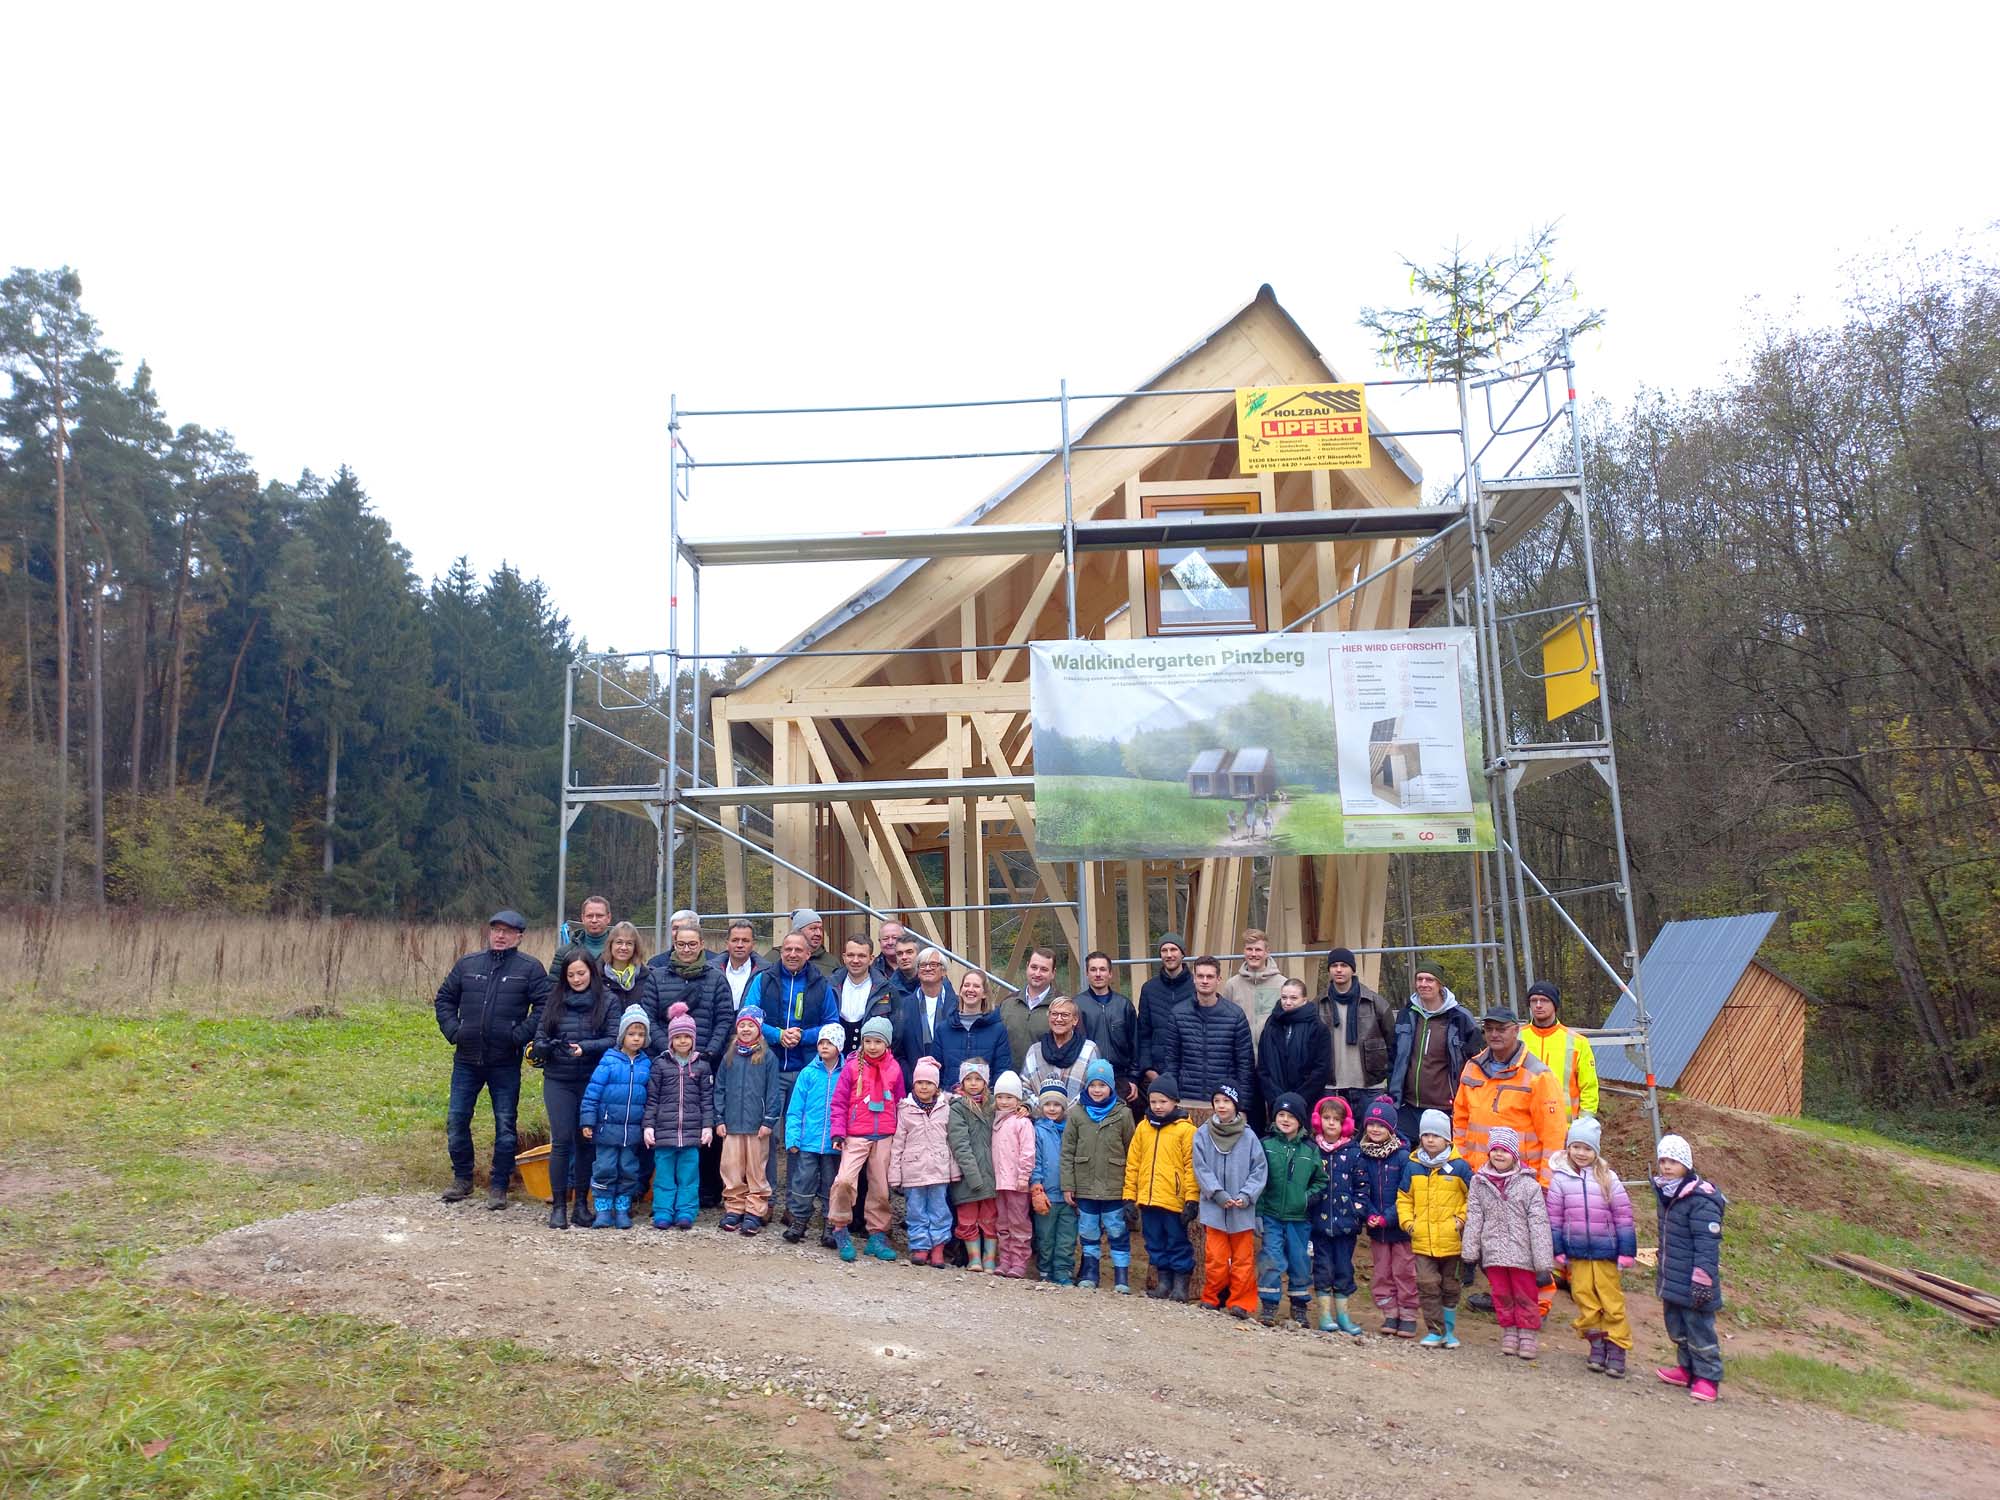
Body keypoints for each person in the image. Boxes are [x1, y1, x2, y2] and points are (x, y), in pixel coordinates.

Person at [435, 909, 549, 1209]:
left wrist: (519, 1035)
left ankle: (499, 1185)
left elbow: (545, 1007)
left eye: (507, 931)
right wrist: (454, 1030)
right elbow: (444, 998)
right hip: (467, 1059)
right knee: (457, 1120)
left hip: (504, 1062)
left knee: (505, 1124)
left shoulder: (530, 968)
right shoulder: (468, 964)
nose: (500, 935)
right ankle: (462, 1178)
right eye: (496, 929)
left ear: (519, 937)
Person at [532, 949, 620, 1230]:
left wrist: (586, 1049)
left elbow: (613, 1038)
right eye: (570, 975)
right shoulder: (554, 1000)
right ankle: (559, 1206)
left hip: (592, 1079)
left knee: (586, 1142)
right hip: (558, 1078)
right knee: (561, 1140)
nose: (576, 979)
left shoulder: (608, 1001)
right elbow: (540, 1037)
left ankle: (581, 1204)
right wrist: (544, 1048)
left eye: (581, 973)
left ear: (591, 973)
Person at [747, 931, 836, 1205]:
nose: (793, 954)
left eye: (799, 950)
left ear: (809, 954)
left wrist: (804, 1036)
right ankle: (766, 1197)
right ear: (781, 951)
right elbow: (748, 1015)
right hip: (769, 1067)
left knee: (798, 1138)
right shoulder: (763, 979)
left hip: (806, 1070)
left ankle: (796, 1201)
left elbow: (832, 1025)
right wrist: (776, 1034)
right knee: (767, 1135)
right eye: (788, 949)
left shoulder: (822, 985)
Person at [1549, 1115, 1636, 1376]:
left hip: (1606, 1252)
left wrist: (1626, 1251)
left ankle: (1617, 1347)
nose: (1581, 1153)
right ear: (1568, 1147)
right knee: (1585, 1298)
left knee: (1611, 1301)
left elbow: (1624, 1216)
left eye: (1587, 1148)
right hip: (1577, 1253)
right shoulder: (1560, 1179)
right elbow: (1554, 1217)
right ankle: (1596, 1344)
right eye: (1576, 1146)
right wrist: (1558, 1249)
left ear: (1595, 1150)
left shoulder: (1608, 1178)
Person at [1461, 1124, 1556, 1359]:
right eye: (1495, 1150)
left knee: (1525, 1295)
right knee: (1501, 1294)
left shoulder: (1528, 1185)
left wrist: (1542, 1259)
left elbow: (1539, 1223)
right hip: (1493, 1253)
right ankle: (1509, 1331)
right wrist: (1470, 1251)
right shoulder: (1479, 1182)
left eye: (1504, 1151)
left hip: (1522, 1255)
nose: (1498, 1154)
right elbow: (1474, 1217)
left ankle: (1527, 1333)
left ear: (1514, 1155)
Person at [1451, 1007, 1565, 1184]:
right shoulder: (1472, 1068)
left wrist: (1546, 1184)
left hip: (1520, 1181)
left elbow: (1553, 1135)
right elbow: (1460, 1122)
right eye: (1489, 1029)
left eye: (1501, 1029)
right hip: (1475, 1177)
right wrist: (1462, 1165)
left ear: (1516, 1030)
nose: (1494, 1034)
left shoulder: (1538, 1076)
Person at [1652, 1132, 1726, 1402]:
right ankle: (1687, 1368)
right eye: (1663, 1161)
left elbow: (1707, 1242)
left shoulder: (1700, 1200)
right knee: (1677, 1327)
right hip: (1672, 1275)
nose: (1667, 1166)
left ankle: (1708, 1377)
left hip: (1696, 1280)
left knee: (1699, 1330)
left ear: (1686, 1164)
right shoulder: (1666, 1194)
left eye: (1673, 1161)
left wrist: (1703, 1276)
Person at [829, 1015, 907, 1264]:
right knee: (844, 1180)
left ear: (887, 1044)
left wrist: (900, 1134)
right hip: (855, 1133)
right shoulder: (852, 1067)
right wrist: (838, 1132)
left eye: (877, 1041)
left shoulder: (895, 1068)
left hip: (885, 1134)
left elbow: (900, 1102)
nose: (872, 1046)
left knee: (880, 1189)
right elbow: (839, 1101)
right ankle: (840, 1227)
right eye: (868, 1041)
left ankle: (877, 1234)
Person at [1396, 1107, 1473, 1349]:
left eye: (1436, 1135)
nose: (1430, 1140)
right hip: (1422, 1240)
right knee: (1427, 1284)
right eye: (1426, 1135)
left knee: (1450, 1286)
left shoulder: (1460, 1167)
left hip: (1452, 1240)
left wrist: (1460, 1221)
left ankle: (1449, 1331)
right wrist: (1408, 1223)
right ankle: (1434, 1330)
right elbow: (1404, 1197)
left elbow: (1473, 1198)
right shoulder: (1413, 1166)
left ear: (1447, 1139)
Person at [1385, 965, 1481, 1148]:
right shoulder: (1407, 1014)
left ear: (1440, 984)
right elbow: (1393, 1057)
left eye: (1429, 980)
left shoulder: (1460, 1018)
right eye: (1419, 979)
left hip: (1445, 1109)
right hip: (1408, 1106)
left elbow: (1475, 1063)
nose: (1423, 984)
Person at [1192, 1082, 1266, 1318]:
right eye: (1217, 1101)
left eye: (1226, 1101)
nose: (1221, 1106)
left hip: (1242, 1210)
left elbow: (1259, 1169)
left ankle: (1241, 1302)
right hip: (1215, 1207)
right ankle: (1211, 1297)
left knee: (1243, 1259)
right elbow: (1200, 1167)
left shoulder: (1249, 1135)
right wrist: (1217, 1193)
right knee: (1215, 1258)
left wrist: (1246, 1195)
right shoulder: (1203, 1133)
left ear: (1235, 1104)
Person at [1063, 1059, 1136, 1292]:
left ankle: (1121, 1276)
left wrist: (1130, 1189)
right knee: (1088, 1229)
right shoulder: (1076, 1114)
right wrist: (1068, 1185)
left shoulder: (1123, 1114)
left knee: (1117, 1230)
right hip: (1084, 1184)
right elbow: (1067, 1152)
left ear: (1111, 1087)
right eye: (1093, 1085)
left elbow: (1132, 1150)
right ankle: (1091, 1272)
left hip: (1114, 1185)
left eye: (1102, 1085)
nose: (1097, 1090)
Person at [1125, 1074, 1199, 1303]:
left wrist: (1191, 1199)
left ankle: (1180, 1284)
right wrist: (1129, 1196)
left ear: (1175, 1101)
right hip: (1148, 1198)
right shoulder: (1143, 1128)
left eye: (1163, 1101)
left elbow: (1192, 1166)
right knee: (1154, 1240)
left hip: (1173, 1199)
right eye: (1154, 1101)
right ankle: (1164, 1281)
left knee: (1177, 1242)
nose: (1157, 1106)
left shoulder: (1186, 1130)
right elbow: (1133, 1163)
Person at [578, 1005, 652, 1230]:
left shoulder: (646, 1064)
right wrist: (588, 1120)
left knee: (628, 1168)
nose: (636, 1039)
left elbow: (651, 1097)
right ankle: (603, 1209)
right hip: (606, 1128)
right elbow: (592, 1092)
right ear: (622, 1036)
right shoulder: (609, 1061)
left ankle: (622, 1208)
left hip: (631, 1130)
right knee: (605, 1167)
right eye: (631, 1034)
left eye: (641, 1034)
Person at [641, 1002, 713, 1231]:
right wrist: (648, 1126)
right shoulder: (660, 1065)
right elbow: (652, 1098)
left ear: (693, 1038)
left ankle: (686, 1212)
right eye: (678, 1037)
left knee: (689, 1177)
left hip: (691, 1134)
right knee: (663, 1177)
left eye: (687, 1037)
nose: (683, 1041)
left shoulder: (702, 1066)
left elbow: (706, 1100)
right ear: (671, 1039)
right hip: (664, 1132)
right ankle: (663, 1211)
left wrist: (707, 1126)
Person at [1256, 1092, 1324, 1329]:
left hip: (1299, 1218)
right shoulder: (1266, 1145)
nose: (1285, 1120)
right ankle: (1269, 1305)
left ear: (1300, 1120)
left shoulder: (1310, 1149)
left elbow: (1320, 1180)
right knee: (1271, 1259)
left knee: (1300, 1261)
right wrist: (1258, 1213)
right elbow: (1258, 1180)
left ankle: (1299, 1306)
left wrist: (1307, 1199)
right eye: (1281, 1115)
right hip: (1272, 1216)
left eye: (1290, 1116)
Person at [1157, 957, 1255, 1122]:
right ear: (1194, 978)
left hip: (1224, 1101)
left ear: (1218, 980)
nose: (1204, 981)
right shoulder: (1178, 1013)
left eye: (1209, 977)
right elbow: (1171, 1061)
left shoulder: (1235, 1015)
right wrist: (1171, 1098)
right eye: (1200, 976)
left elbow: (1245, 1065)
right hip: (1186, 1099)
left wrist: (1242, 1107)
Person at [714, 1004, 781, 1235]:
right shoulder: (729, 1056)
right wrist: (719, 1117)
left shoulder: (768, 1057)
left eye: (749, 1026)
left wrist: (769, 1120)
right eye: (741, 1025)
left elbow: (773, 1091)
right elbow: (719, 1088)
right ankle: (734, 1208)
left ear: (758, 1029)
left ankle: (755, 1210)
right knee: (731, 1168)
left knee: (756, 1169)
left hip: (756, 1125)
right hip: (732, 1123)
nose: (745, 1029)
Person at [1307, 1095, 1369, 1336]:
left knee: (1344, 1268)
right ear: (1318, 1120)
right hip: (1318, 1223)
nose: (1331, 1123)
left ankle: (1343, 1314)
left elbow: (1363, 1187)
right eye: (1326, 1118)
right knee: (1322, 1268)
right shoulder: (1313, 1151)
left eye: (1336, 1119)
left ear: (1345, 1123)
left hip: (1346, 1224)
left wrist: (1357, 1212)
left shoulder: (1354, 1153)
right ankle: (1324, 1315)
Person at [1357, 1095, 1418, 1337]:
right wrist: (1370, 1213)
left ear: (1391, 1129)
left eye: (1381, 1125)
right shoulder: (1362, 1155)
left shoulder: (1403, 1157)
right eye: (1371, 1124)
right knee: (1382, 1272)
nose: (1375, 1129)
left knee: (1404, 1271)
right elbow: (1361, 1189)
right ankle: (1390, 1313)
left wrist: (1388, 1217)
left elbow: (1407, 1193)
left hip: (1400, 1227)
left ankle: (1409, 1314)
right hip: (1377, 1229)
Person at [781, 1023, 845, 1247]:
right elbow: (795, 1108)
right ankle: (799, 1220)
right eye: (821, 1042)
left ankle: (830, 1224)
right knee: (803, 1181)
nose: (825, 1046)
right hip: (808, 1142)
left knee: (831, 1183)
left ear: (839, 1046)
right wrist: (793, 1137)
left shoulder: (846, 1074)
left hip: (833, 1144)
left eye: (830, 1043)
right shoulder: (808, 1074)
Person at [889, 1056, 957, 1267]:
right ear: (914, 1084)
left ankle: (938, 1247)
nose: (924, 1087)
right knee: (916, 1210)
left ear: (936, 1086)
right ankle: (920, 1246)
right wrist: (894, 1173)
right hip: (913, 1170)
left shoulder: (946, 1107)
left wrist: (954, 1170)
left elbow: (951, 1140)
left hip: (939, 1169)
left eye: (929, 1083)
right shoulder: (905, 1109)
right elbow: (898, 1143)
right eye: (920, 1082)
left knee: (939, 1210)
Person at [1318, 946, 1394, 1124]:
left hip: (1370, 1086)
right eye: (1334, 965)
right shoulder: (1318, 1004)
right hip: (1331, 1087)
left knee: (1370, 1139)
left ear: (1353, 969)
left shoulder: (1376, 1003)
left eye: (1344, 965)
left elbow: (1393, 1043)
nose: (1338, 969)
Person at [646, 923, 729, 1062]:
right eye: (681, 944)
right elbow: (649, 1017)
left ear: (702, 944)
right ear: (674, 944)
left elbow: (724, 1020)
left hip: (704, 1061)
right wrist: (668, 1049)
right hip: (665, 1061)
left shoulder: (717, 979)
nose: (686, 949)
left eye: (692, 944)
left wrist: (710, 1051)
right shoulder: (656, 977)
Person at [946, 1058, 999, 1272]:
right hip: (968, 1176)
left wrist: (1024, 1107)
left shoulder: (995, 1104)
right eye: (969, 1079)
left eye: (978, 1079)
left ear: (986, 1082)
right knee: (967, 1218)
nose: (974, 1083)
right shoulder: (957, 1107)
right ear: (962, 1082)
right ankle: (974, 1257)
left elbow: (1014, 1107)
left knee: (990, 1218)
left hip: (993, 1173)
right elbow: (960, 1144)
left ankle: (990, 1258)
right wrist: (973, 1175)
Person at [1255, 978, 1330, 1129]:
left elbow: (1321, 1069)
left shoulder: (1317, 1027)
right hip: (1276, 1103)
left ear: (1304, 1000)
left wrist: (1297, 1099)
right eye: (1284, 997)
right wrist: (1276, 1098)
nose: (1287, 1002)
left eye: (1293, 998)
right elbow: (1263, 1066)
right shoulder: (1271, 1024)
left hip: (1306, 1103)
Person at [1521, 980, 1600, 1123]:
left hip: (1565, 1127)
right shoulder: (1517, 1038)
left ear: (1555, 1005)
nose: (1538, 1005)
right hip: (1524, 1126)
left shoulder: (1577, 1042)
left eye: (1544, 1000)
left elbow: (1589, 1088)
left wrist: (1584, 1126)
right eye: (1534, 1001)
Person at [1073, 951, 1140, 1107]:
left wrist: (1134, 1078)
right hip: (1087, 1079)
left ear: (1110, 973)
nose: (1098, 974)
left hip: (1120, 1079)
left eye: (1102, 969)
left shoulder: (1123, 1005)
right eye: (1093, 969)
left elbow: (1135, 1044)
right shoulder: (1076, 1005)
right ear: (1087, 973)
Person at [1030, 1079, 1077, 1286]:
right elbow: (1035, 1161)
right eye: (1047, 1104)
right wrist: (1037, 1187)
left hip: (1068, 1195)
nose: (1052, 1108)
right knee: (1045, 1237)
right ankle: (1045, 1269)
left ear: (1064, 1107)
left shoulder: (1071, 1129)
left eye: (1057, 1104)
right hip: (1046, 1194)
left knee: (1066, 1238)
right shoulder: (1037, 1129)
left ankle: (1063, 1271)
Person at [988, 1070, 1036, 1279]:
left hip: (1017, 1183)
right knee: (1002, 1223)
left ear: (1018, 1099)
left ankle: (1019, 1261)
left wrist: (1023, 1176)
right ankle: (1005, 1260)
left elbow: (1028, 1151)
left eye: (1009, 1097)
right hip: (999, 1182)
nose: (1004, 1102)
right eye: (1000, 1097)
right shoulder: (995, 1120)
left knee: (1019, 1223)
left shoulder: (1022, 1122)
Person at [933, 967, 1012, 1086]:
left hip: (985, 1101)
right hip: (950, 1100)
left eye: (976, 986)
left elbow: (1001, 1071)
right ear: (960, 991)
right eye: (966, 985)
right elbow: (936, 1070)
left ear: (984, 993)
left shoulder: (998, 1030)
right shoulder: (943, 1029)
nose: (970, 989)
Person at [1136, 935, 1194, 1090]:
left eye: (1173, 949)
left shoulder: (1196, 987)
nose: (1169, 955)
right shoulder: (1149, 989)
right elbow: (1143, 1033)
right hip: (1157, 1072)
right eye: (1164, 950)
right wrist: (1148, 1069)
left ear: (1182, 953)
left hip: (1190, 1072)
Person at [1021, 995, 1100, 1104]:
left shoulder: (1089, 1050)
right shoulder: (1034, 1051)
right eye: (1054, 1014)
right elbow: (1025, 1088)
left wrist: (1068, 1113)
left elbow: (1095, 1088)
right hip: (1040, 1118)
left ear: (1075, 1020)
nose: (1058, 1019)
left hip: (1077, 1118)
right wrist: (1045, 1109)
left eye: (1065, 1015)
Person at [895, 946, 959, 1076]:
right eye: (923, 965)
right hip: (916, 1084)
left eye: (933, 964)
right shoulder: (903, 1006)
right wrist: (911, 1079)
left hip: (950, 1084)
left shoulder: (958, 1006)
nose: (928, 968)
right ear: (917, 972)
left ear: (944, 971)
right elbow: (898, 1051)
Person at [832, 933, 897, 1054]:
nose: (855, 960)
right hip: (834, 1062)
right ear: (844, 957)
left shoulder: (886, 988)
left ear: (871, 959)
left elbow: (896, 1030)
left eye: (861, 956)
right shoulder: (830, 986)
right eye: (851, 955)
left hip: (872, 1062)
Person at [1222, 928, 1288, 1044]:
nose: (1253, 954)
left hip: (1273, 1054)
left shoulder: (1282, 984)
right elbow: (1225, 1022)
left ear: (1267, 952)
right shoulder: (1232, 985)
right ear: (1244, 951)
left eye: (1258, 950)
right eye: (1249, 949)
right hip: (1241, 1053)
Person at [1000, 947, 1058, 1069]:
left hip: (1043, 1082)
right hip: (1008, 1081)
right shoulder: (1008, 1003)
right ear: (1027, 967)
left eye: (1044, 969)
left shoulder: (1061, 1007)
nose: (1037, 973)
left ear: (1053, 973)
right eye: (1034, 967)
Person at [716, 919, 768, 1012]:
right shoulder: (712, 970)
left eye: (745, 940)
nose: (740, 945)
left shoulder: (766, 973)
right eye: (735, 940)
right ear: (727, 943)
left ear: (753, 943)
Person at [768, 907, 835, 975]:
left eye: (820, 929)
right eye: (813, 929)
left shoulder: (832, 962)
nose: (818, 933)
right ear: (798, 931)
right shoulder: (773, 958)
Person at [558, 894, 612, 963]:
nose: (594, 920)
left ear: (608, 917)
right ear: (583, 918)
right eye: (590, 916)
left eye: (599, 916)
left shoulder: (621, 952)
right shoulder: (564, 953)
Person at [869, 917, 907, 987]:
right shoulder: (871, 969)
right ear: (880, 942)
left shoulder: (917, 966)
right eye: (885, 939)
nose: (890, 942)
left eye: (895, 938)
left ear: (904, 940)